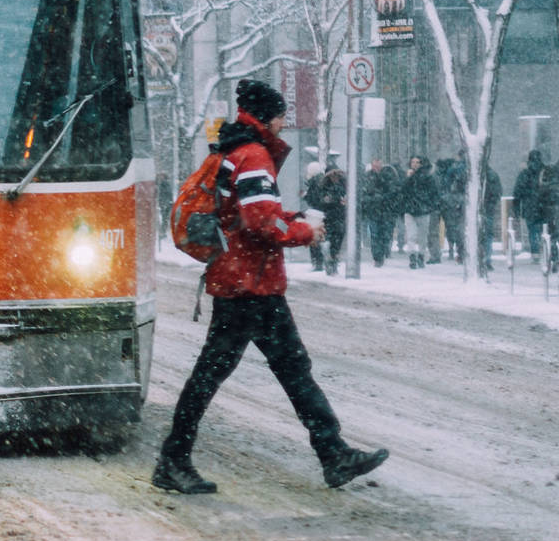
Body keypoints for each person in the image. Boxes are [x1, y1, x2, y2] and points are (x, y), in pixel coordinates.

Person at [152, 80, 389, 495]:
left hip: (243, 280)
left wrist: (291, 218)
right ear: (267, 116)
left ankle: (332, 453)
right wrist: (303, 232)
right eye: (280, 115)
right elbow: (261, 220)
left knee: (277, 371)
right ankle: (175, 459)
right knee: (254, 373)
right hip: (249, 285)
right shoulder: (254, 154)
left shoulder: (234, 148)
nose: (283, 123)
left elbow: (247, 213)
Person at [305, 159, 346, 276]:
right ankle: (331, 262)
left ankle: (330, 261)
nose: (334, 177)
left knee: (333, 241)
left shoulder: (331, 184)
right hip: (332, 217)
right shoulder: (328, 185)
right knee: (333, 240)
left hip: (332, 217)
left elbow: (316, 200)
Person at [400, 155, 439, 268]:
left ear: (421, 164)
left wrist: (428, 205)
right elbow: (402, 190)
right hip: (410, 210)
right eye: (413, 162)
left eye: (417, 162)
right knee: (411, 235)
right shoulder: (408, 176)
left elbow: (433, 193)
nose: (415, 164)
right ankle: (412, 257)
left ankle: (421, 255)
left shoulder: (427, 177)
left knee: (422, 236)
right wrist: (407, 178)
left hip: (423, 210)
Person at [361, 157, 396, 269]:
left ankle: (384, 250)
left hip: (386, 210)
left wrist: (383, 198)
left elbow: (393, 191)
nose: (377, 168)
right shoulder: (367, 177)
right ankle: (377, 257)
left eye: (378, 165)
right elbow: (364, 192)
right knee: (375, 234)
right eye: (375, 165)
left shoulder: (387, 176)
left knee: (385, 234)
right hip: (373, 210)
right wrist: (371, 199)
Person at [514, 150, 548, 260]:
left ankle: (535, 252)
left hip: (529, 207)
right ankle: (547, 249)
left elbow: (517, 193)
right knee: (546, 229)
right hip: (545, 206)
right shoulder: (546, 172)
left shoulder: (524, 174)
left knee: (533, 230)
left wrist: (516, 209)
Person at [438, 157, 469, 264]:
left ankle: (453, 248)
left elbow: (445, 186)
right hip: (462, 201)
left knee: (451, 227)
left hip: (450, 203)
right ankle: (461, 251)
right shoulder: (467, 169)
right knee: (461, 228)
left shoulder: (451, 171)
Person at [477, 164, 502, 280]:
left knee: (480, 234)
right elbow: (498, 192)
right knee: (488, 235)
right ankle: (487, 259)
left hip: (479, 209)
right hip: (488, 209)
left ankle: (480, 259)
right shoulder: (492, 175)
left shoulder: (475, 175)